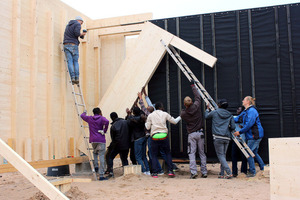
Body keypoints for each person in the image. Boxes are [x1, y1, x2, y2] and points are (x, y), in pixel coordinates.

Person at [145, 102, 181, 178]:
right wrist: (181, 116)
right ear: (161, 107)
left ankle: (155, 173)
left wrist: (146, 123)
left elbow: (147, 127)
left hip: (154, 137)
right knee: (167, 153)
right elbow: (174, 121)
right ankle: (171, 171)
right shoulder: (165, 114)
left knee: (154, 155)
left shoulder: (150, 115)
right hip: (164, 136)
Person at [180, 83, 207, 179]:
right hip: (200, 133)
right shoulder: (196, 106)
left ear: (184, 104)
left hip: (191, 134)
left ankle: (193, 172)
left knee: (191, 153)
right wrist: (193, 86)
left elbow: (183, 115)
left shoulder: (183, 113)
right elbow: (198, 97)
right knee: (202, 153)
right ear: (192, 102)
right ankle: (204, 172)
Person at [234, 96, 265, 177]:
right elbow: (237, 118)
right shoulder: (246, 111)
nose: (242, 101)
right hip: (253, 135)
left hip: (255, 135)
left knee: (249, 153)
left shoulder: (251, 111)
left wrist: (240, 132)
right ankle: (263, 167)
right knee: (254, 152)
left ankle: (252, 172)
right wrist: (227, 118)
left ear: (247, 101)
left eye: (244, 100)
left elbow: (249, 124)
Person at [205, 99, 235, 179]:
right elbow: (233, 127)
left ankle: (229, 172)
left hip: (218, 137)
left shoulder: (215, 112)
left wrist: (207, 109)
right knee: (223, 156)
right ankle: (221, 174)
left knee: (221, 156)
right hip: (227, 137)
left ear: (218, 105)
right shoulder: (230, 115)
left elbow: (206, 116)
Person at [138, 91, 164, 175]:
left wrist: (140, 98)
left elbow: (143, 108)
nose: (148, 106)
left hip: (151, 136)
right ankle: (158, 169)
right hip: (157, 135)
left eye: (148, 107)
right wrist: (145, 95)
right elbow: (147, 106)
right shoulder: (156, 113)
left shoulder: (150, 115)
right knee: (152, 153)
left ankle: (157, 170)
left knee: (152, 154)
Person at [80, 107, 109, 181]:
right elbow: (107, 121)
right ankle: (101, 175)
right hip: (101, 140)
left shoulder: (90, 118)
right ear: (99, 112)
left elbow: (82, 116)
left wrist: (84, 112)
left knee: (95, 152)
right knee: (101, 156)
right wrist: (104, 130)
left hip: (93, 140)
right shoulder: (101, 118)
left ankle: (96, 166)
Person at [105, 112, 131, 178]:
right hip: (126, 145)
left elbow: (113, 139)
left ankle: (110, 172)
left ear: (112, 118)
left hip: (117, 145)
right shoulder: (126, 122)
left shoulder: (113, 126)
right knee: (124, 159)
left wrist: (111, 147)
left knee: (110, 157)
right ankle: (126, 173)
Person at [63, 16, 87, 84]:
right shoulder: (77, 24)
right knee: (75, 62)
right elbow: (77, 33)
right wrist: (82, 34)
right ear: (79, 20)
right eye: (81, 23)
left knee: (70, 61)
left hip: (66, 44)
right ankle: (76, 77)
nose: (81, 25)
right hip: (73, 45)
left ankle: (72, 77)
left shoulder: (68, 25)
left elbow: (74, 34)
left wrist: (81, 35)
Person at [127, 107, 150, 175]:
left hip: (137, 139)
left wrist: (128, 114)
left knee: (138, 157)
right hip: (143, 137)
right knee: (144, 156)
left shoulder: (132, 119)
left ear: (133, 112)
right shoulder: (142, 118)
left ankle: (143, 171)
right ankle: (148, 170)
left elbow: (128, 121)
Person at [231, 106, 248, 177]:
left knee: (244, 156)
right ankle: (234, 172)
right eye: (237, 109)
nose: (238, 110)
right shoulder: (234, 117)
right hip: (236, 140)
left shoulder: (246, 119)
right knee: (234, 156)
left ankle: (243, 171)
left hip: (243, 140)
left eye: (239, 109)